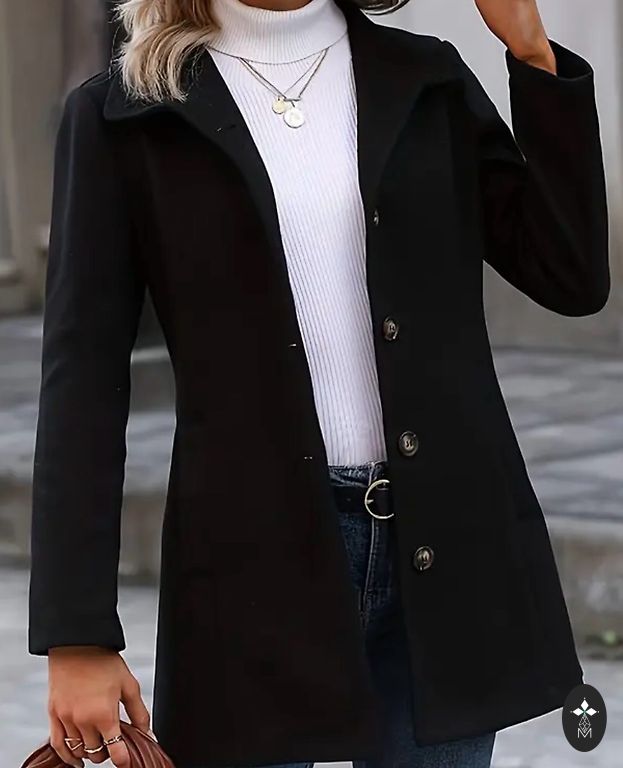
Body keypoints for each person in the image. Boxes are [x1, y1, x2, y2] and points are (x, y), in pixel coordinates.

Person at [28, 0, 610, 767]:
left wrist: (533, 55)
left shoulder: (425, 77)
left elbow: (568, 273)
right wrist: (75, 635)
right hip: (249, 563)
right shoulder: (127, 113)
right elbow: (82, 381)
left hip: (449, 548)